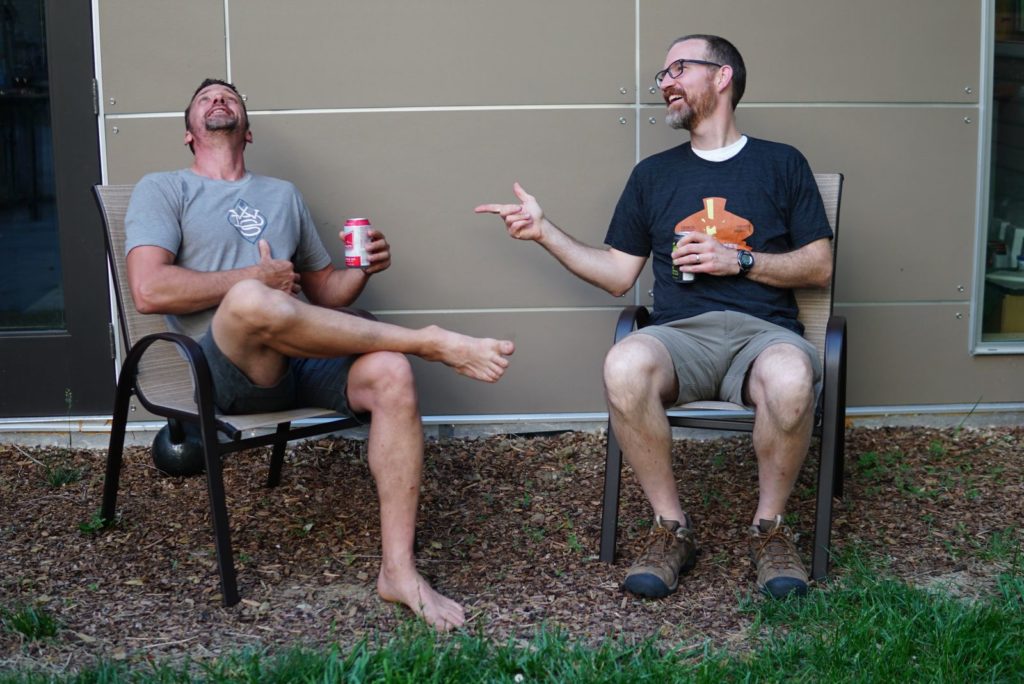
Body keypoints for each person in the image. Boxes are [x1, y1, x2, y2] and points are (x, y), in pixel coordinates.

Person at [125, 78, 515, 630]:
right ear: (188, 132)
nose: (218, 100)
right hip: (227, 368)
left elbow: (326, 293)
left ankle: (398, 571)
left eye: (229, 96)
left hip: (298, 356)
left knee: (391, 372)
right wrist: (253, 278)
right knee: (251, 297)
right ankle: (426, 340)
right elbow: (149, 290)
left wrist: (361, 268)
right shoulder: (164, 189)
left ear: (248, 130)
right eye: (205, 98)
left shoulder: (283, 195)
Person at [476, 35, 832, 600]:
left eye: (678, 69)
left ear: (722, 76)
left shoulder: (782, 163)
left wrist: (739, 260)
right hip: (679, 336)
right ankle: (671, 529)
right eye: (662, 75)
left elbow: (819, 265)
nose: (665, 83)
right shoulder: (653, 175)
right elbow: (617, 273)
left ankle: (770, 531)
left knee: (791, 377)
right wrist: (544, 233)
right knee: (623, 363)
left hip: (763, 337)